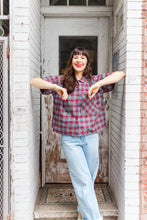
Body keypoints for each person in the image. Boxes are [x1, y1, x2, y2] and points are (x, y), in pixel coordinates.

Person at [30, 47, 126, 220]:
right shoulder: (61, 81)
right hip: (70, 140)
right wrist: (55, 87)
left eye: (83, 57)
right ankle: (95, 218)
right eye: (76, 57)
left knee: (88, 179)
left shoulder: (94, 81)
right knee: (82, 180)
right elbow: (34, 81)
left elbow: (120, 74)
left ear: (87, 62)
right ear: (71, 61)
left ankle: (82, 211)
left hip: (90, 137)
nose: (79, 60)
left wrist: (99, 84)